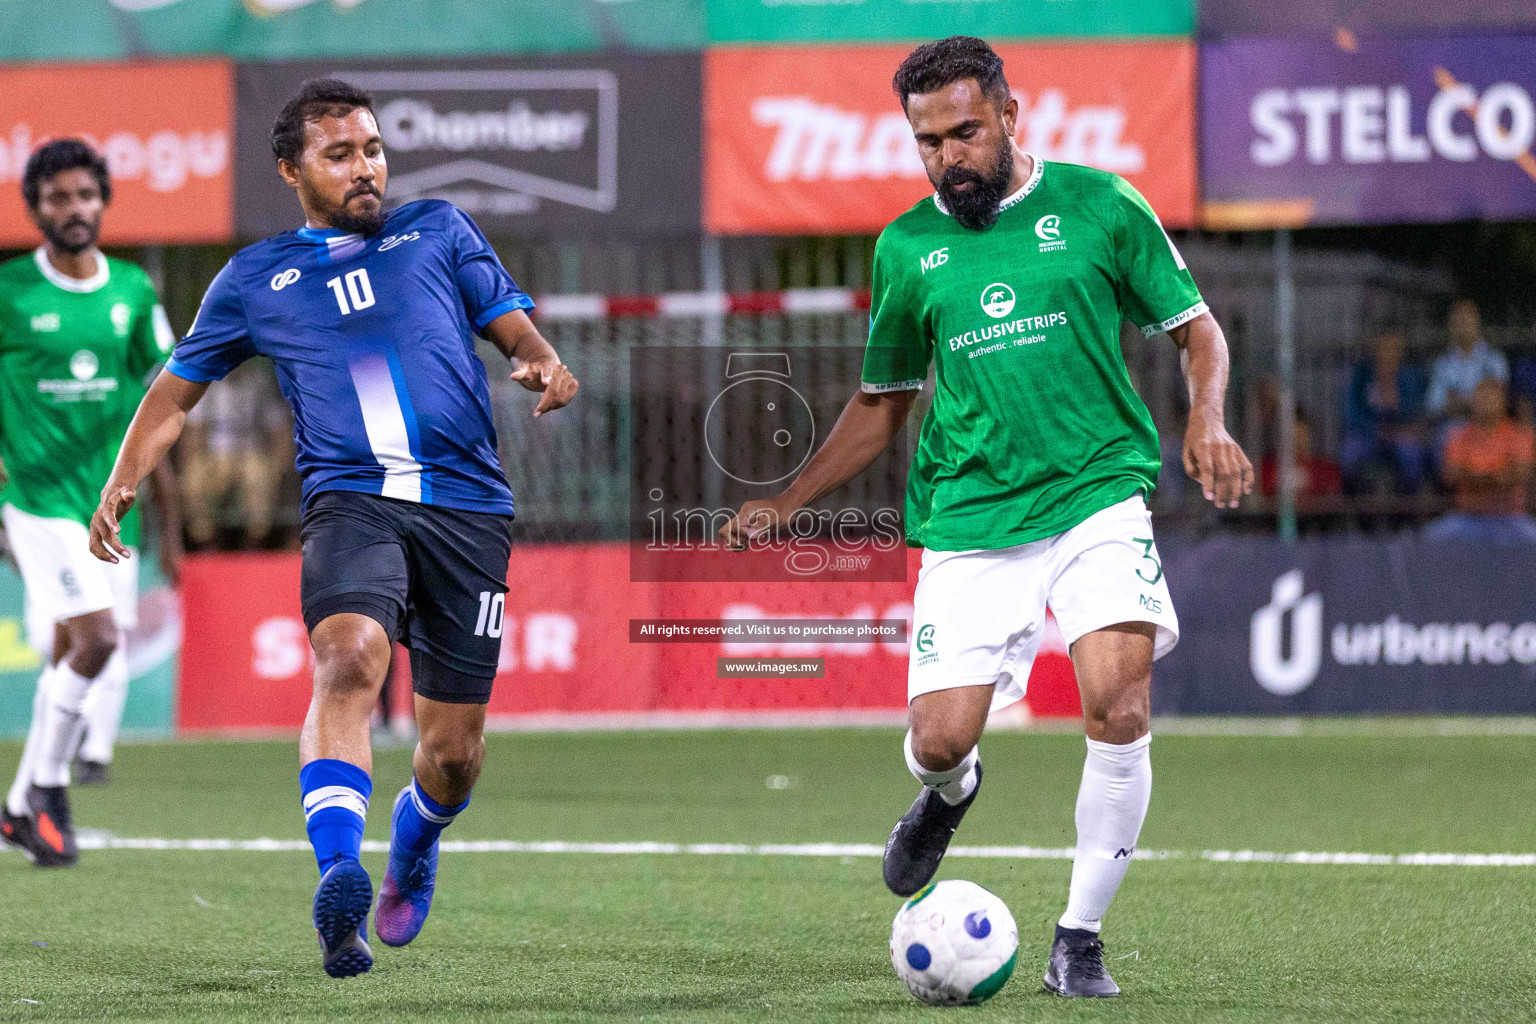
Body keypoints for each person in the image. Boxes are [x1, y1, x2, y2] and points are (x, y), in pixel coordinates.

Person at [721, 37, 1251, 999]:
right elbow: (883, 400)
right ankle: (947, 794)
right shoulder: (906, 248)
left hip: (1096, 495)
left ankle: (1079, 936)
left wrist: (1207, 419)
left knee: (1118, 706)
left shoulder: (1101, 204)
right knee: (938, 739)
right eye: (927, 141)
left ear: (1010, 114)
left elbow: (1197, 327)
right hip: (968, 515)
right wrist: (787, 501)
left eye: (964, 131)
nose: (947, 155)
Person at [88, 79, 578, 976]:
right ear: (292, 169)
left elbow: (518, 337)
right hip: (349, 500)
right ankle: (340, 879)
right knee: (348, 655)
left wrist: (544, 363)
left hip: (468, 509)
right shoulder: (255, 279)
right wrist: (124, 480)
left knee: (454, 755)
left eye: (374, 149)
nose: (367, 168)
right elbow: (171, 393)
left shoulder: (438, 229)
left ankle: (417, 838)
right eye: (341, 153)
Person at [0, 139, 181, 867]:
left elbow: (167, 395)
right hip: (36, 500)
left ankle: (20, 805)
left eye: (84, 196)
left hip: (109, 507)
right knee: (99, 638)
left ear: (102, 201)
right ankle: (44, 786)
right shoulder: (11, 291)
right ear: (36, 208)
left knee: (78, 647)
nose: (73, 209)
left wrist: (154, 492)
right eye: (57, 198)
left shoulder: (133, 291)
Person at [179, 360, 292, 550]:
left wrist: (280, 467)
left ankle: (254, 544)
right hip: (214, 455)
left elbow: (278, 429)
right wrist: (192, 464)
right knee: (195, 477)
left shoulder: (259, 382)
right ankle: (207, 544)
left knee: (256, 476)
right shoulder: (208, 382)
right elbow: (194, 431)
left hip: (252, 452)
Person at [1425, 377, 1536, 545]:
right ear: (1473, 401)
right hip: (1467, 517)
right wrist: (1497, 475)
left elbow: (1520, 475)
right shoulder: (1457, 436)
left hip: (1510, 517)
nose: (1487, 402)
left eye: (1493, 397)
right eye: (1483, 397)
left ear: (1503, 401)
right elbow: (1451, 476)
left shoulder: (1520, 435)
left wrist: (1473, 474)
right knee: (1431, 538)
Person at [1340, 331, 1428, 495]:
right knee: (1350, 452)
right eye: (1384, 348)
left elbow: (1418, 409)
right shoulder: (1362, 375)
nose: (1389, 353)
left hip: (1400, 432)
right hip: (1368, 432)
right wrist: (1374, 429)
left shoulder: (1410, 376)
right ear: (1375, 350)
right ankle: (1352, 508)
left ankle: (1408, 506)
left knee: (1411, 454)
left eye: (1394, 349)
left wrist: (1397, 408)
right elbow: (1351, 411)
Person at [1426, 300, 1507, 449]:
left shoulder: (1494, 359)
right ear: (1451, 325)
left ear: (1477, 322)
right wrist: (1476, 399)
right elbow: (1434, 406)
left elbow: (1496, 404)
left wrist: (1456, 399)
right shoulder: (1442, 364)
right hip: (1453, 428)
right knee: (1445, 439)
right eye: (1458, 319)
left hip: (1490, 427)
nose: (1463, 323)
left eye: (1467, 318)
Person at [1260, 409, 1342, 501]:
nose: (1297, 442)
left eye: (1301, 436)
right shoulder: (1266, 468)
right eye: (1292, 437)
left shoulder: (1325, 469)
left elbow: (1332, 498)